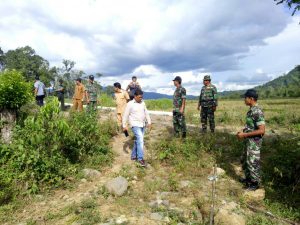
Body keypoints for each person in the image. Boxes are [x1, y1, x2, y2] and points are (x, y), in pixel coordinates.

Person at [237, 89, 265, 191]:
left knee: (253, 162)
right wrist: (243, 131)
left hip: (254, 142)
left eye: (245, 98)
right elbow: (251, 126)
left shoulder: (257, 111)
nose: (244, 100)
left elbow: (262, 130)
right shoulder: (251, 110)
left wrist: (244, 134)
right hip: (248, 141)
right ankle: (248, 179)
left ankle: (255, 183)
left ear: (251, 99)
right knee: (246, 160)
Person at [122, 89, 151, 167]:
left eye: (141, 97)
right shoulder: (130, 104)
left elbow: (146, 112)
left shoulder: (143, 103)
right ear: (135, 96)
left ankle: (133, 156)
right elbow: (125, 115)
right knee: (141, 140)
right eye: (139, 97)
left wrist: (149, 122)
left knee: (138, 140)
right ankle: (140, 159)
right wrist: (124, 126)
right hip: (134, 125)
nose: (141, 98)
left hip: (142, 124)